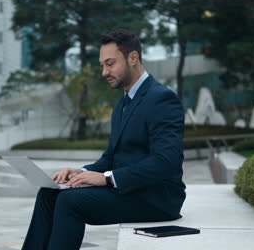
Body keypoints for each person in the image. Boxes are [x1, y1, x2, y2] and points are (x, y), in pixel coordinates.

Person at [21, 29, 186, 250]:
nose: (104, 72)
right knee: (49, 193)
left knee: (70, 202)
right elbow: (110, 157)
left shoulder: (162, 98)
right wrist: (79, 172)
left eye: (110, 63)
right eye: (102, 65)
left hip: (157, 198)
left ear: (133, 58)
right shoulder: (123, 104)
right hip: (129, 190)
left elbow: (166, 161)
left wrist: (107, 178)